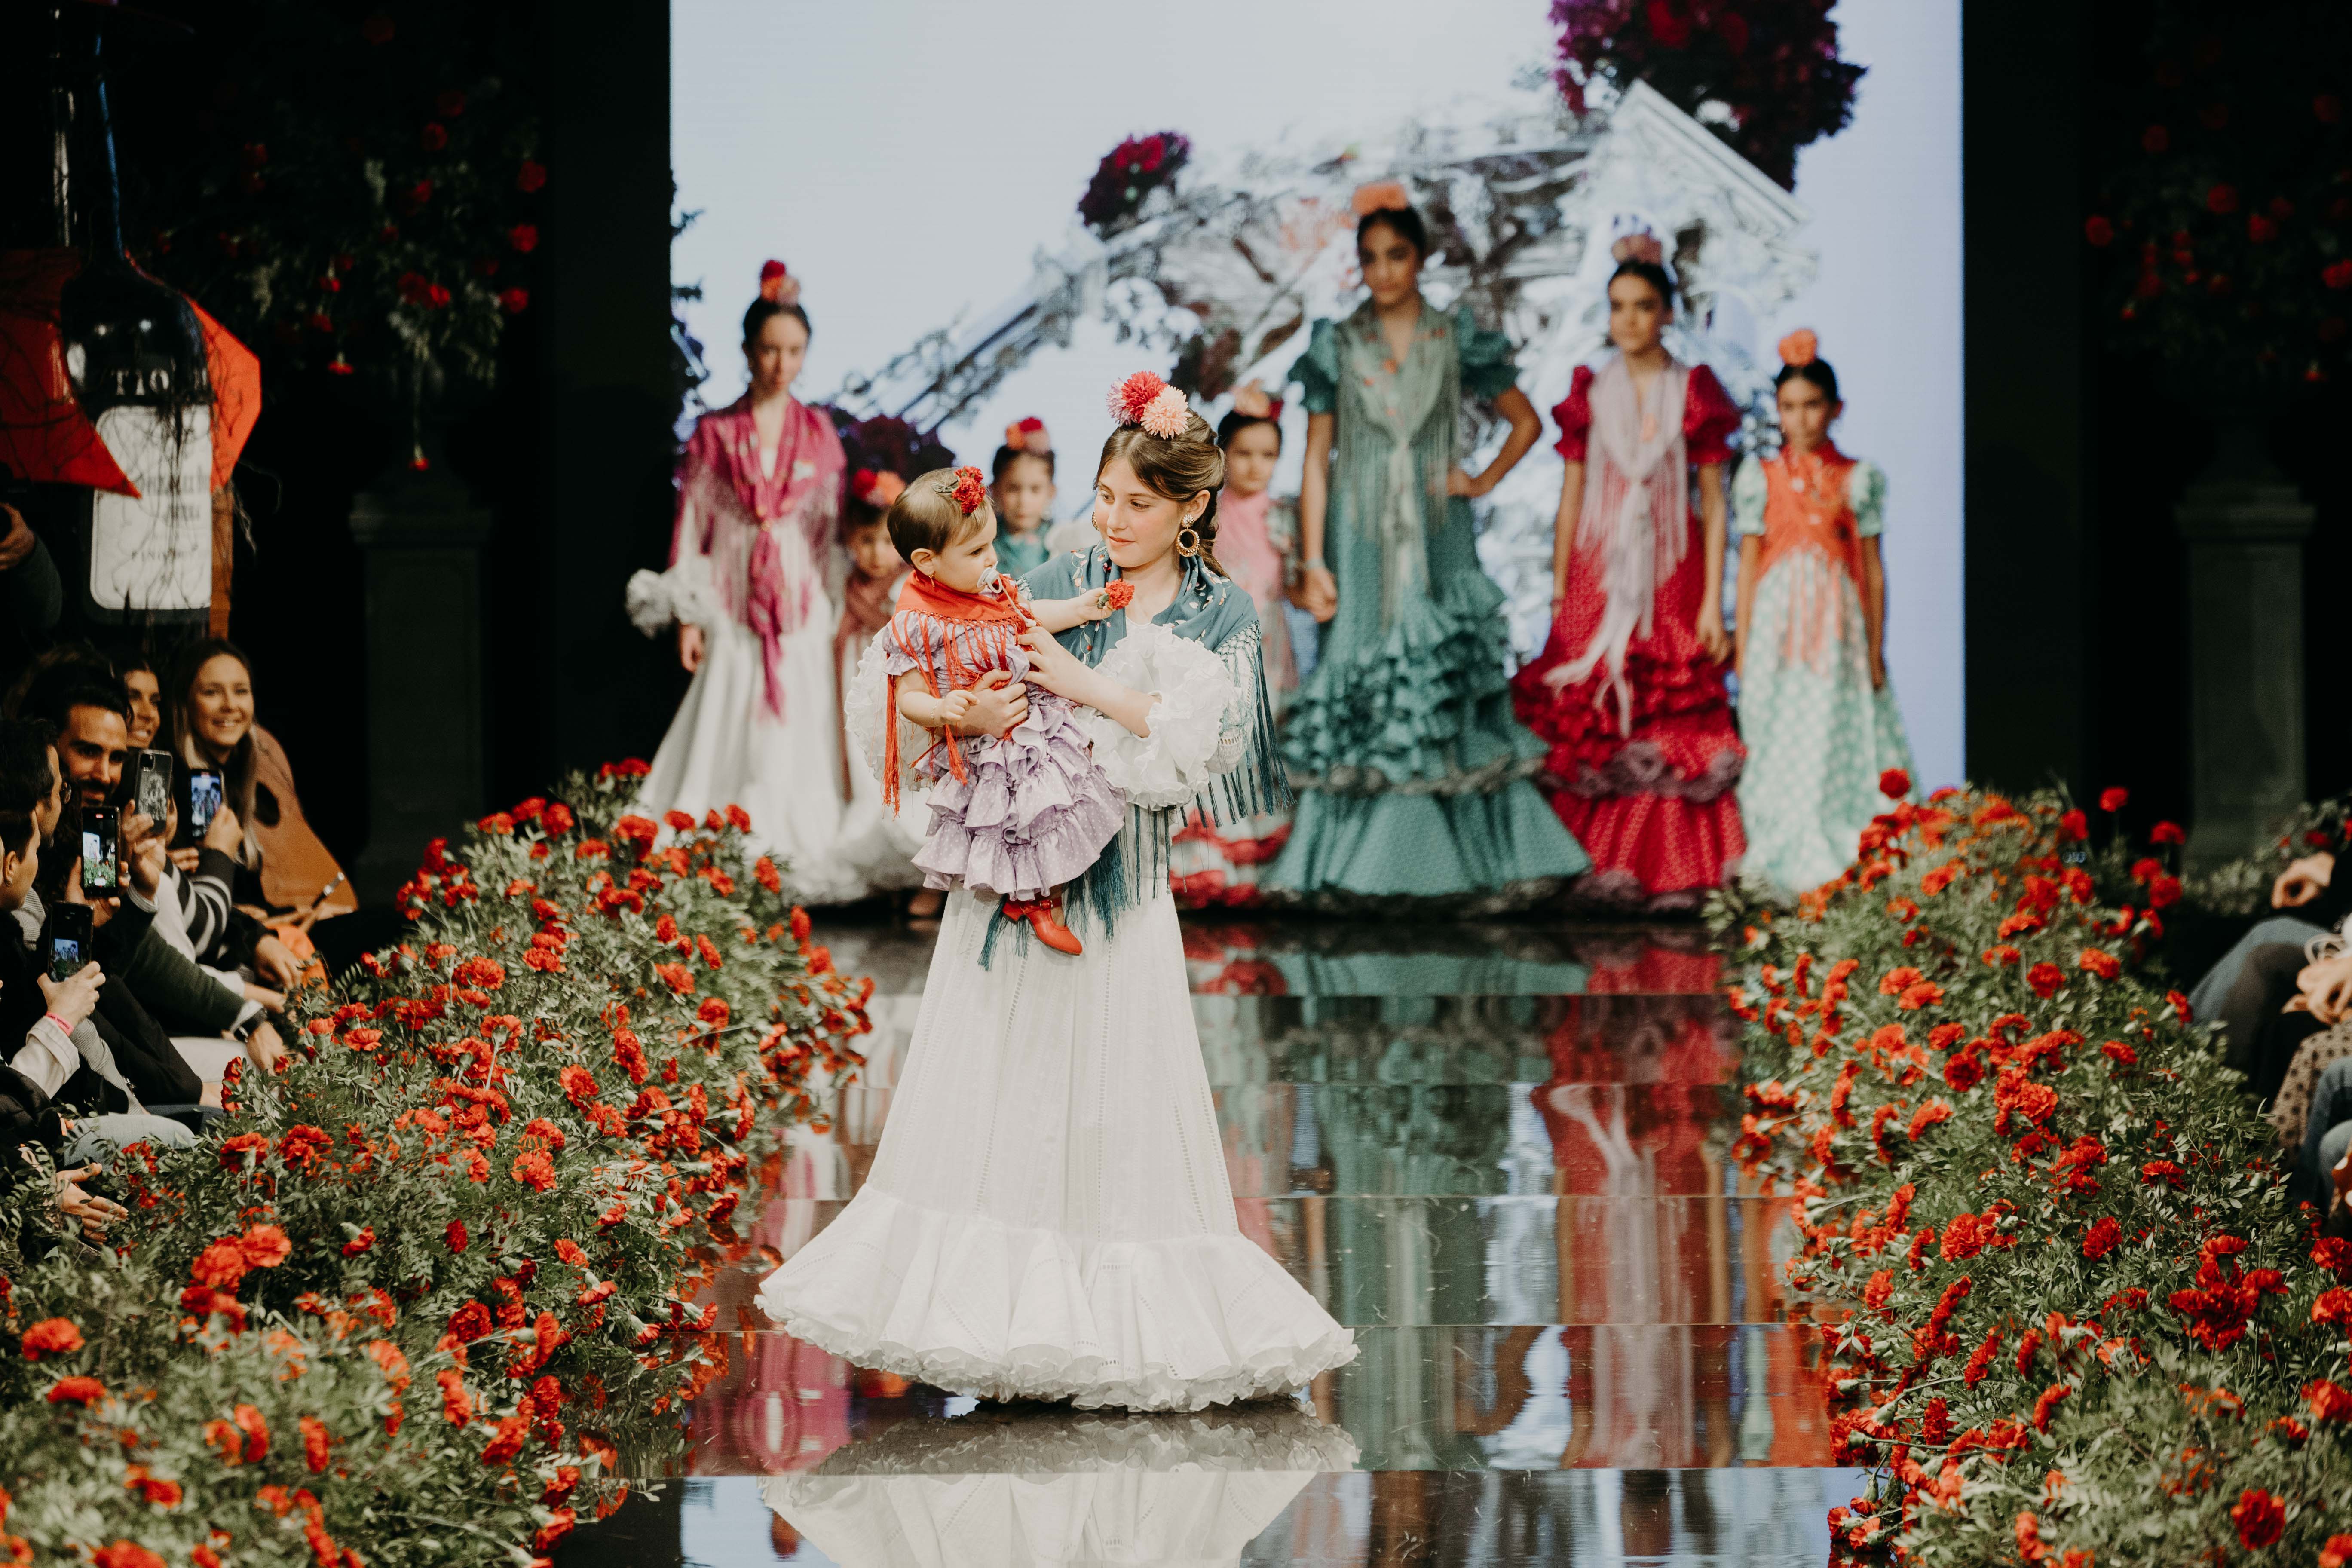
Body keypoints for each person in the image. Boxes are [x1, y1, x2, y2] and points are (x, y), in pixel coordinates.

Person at [761, 378, 1357, 1407]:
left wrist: (1077, 686)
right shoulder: (1059, 575)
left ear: (1187, 512)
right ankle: (999, 1317)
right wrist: (969, 714)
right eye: (1102, 497)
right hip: (1013, 874)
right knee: (1013, 1085)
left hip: (1124, 887)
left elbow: (1192, 747)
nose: (1109, 521)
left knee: (1110, 1095)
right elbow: (929, 653)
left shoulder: (1220, 610)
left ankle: (1106, 1320)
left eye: (1133, 504)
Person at [1269, 186, 1590, 905]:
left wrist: (1479, 480)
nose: (1384, 271)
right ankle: (1356, 862)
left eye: (1397, 255)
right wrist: (1313, 558)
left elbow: (1525, 421)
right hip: (1359, 535)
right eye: (1371, 259)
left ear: (1420, 256)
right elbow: (1316, 457)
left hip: (1439, 531)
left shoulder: (1454, 336)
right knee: (1364, 668)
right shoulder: (1338, 342)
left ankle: (1459, 863)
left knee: (1440, 674)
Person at [1512, 234, 1747, 909]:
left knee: (1665, 708)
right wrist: (1561, 586)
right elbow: (1572, 495)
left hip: (1673, 575)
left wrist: (1711, 605)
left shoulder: (1695, 391)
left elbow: (1713, 504)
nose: (1631, 320)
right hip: (1598, 570)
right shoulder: (1590, 389)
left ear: (1668, 312)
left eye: (1644, 306)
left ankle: (1663, 865)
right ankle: (1584, 862)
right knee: (1589, 710)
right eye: (1619, 307)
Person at [627, 260, 867, 903]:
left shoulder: (818, 432)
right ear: (747, 350)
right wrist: (688, 613)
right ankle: (725, 842)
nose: (781, 364)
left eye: (793, 352)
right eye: (769, 350)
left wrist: (841, 607)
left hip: (801, 603)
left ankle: (795, 846)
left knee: (800, 729)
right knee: (730, 720)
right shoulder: (716, 433)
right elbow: (692, 527)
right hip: (733, 602)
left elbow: (829, 531)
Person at [876, 465, 1126, 954]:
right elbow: (907, 698)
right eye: (975, 552)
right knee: (1014, 821)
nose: (991, 560)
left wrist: (1081, 608)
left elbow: (1028, 616)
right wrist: (943, 708)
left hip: (1032, 721)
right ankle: (1035, 902)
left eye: (990, 545)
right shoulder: (916, 624)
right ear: (927, 561)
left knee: (1059, 804)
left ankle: (1046, 896)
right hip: (987, 744)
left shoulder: (989, 592)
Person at [1728, 331, 1917, 896]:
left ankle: (1838, 850)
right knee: (1778, 735)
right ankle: (1779, 848)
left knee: (1834, 731)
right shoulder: (1759, 478)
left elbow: (1872, 568)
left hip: (1837, 629)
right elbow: (1749, 567)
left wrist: (1877, 646)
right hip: (1777, 630)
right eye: (1790, 407)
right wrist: (1742, 648)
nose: (1801, 419)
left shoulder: (1858, 478)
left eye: (1812, 406)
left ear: (1835, 410)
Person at [1168, 384, 1300, 908]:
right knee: (1213, 743)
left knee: (1255, 748)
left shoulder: (1282, 516)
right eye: (1244, 454)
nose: (1256, 466)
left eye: (1268, 455)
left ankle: (1251, 871)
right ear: (1221, 455)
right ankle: (1204, 867)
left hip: (1268, 646)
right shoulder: (1205, 513)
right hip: (1215, 643)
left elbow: (1292, 584)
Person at [829, 475, 932, 916]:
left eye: (885, 541)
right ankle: (885, 877)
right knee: (865, 772)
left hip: (898, 687)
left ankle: (930, 879)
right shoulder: (845, 587)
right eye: (865, 541)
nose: (875, 553)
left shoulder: (909, 587)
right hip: (858, 683)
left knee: (904, 777)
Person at [989, 417, 1057, 580]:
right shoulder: (983, 540)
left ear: (1051, 492)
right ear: (995, 490)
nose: (1024, 501)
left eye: (1035, 490)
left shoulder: (1059, 542)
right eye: (1013, 489)